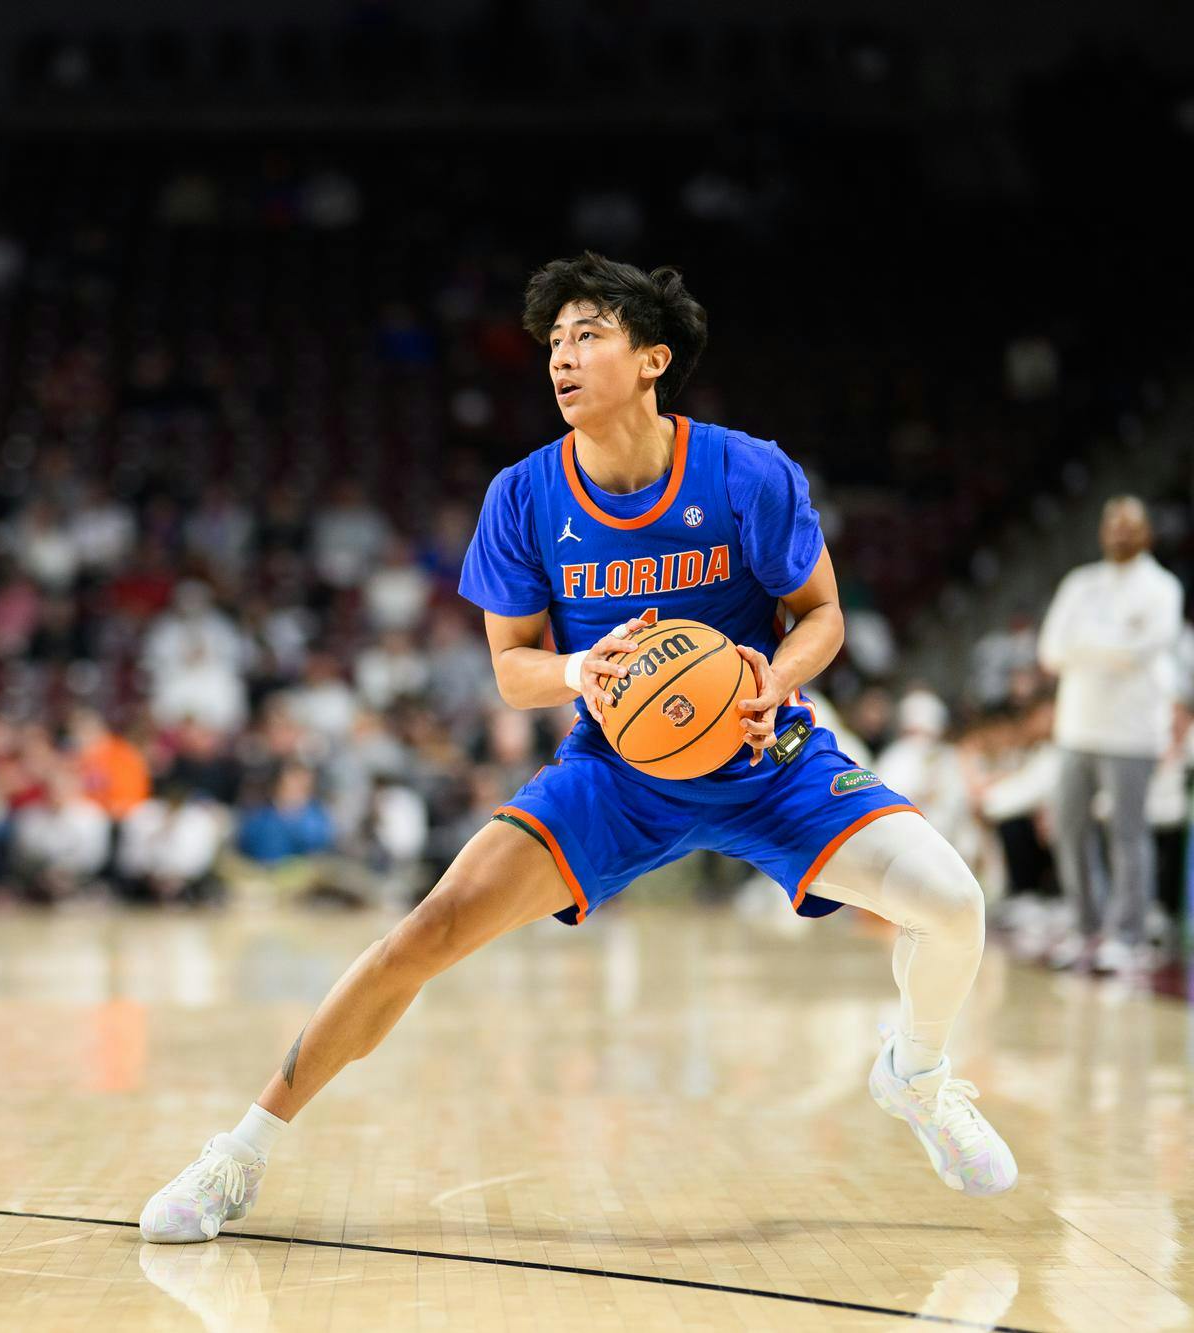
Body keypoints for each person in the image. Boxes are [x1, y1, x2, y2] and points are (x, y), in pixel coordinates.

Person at [140, 253, 1016, 1246]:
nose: (559, 356)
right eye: (551, 341)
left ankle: (917, 1074)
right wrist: (574, 672)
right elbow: (511, 665)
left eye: (585, 334)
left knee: (951, 904)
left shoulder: (745, 471)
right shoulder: (522, 497)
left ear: (650, 360)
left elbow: (816, 614)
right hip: (615, 774)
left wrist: (775, 678)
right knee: (419, 936)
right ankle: (237, 1154)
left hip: (762, 755)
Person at [1036, 495, 1185, 975]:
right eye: (1113, 524)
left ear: (1146, 532)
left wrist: (1087, 646)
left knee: (1127, 834)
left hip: (1132, 732)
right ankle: (1086, 929)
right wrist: (1112, 646)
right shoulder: (1082, 584)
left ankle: (1130, 936)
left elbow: (1145, 650)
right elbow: (1051, 651)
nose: (1121, 532)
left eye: (1130, 525)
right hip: (1076, 726)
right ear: (1103, 530)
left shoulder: (1162, 588)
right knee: (1070, 829)